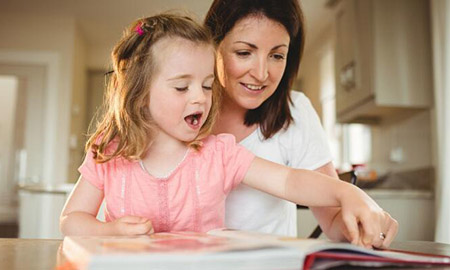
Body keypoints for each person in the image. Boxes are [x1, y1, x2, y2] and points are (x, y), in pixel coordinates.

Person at [60, 12, 387, 249]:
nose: (200, 98)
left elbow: (289, 180)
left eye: (206, 85)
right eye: (181, 87)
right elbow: (72, 219)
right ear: (141, 93)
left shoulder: (217, 151)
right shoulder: (110, 150)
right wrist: (113, 231)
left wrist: (347, 192)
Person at [204, 0, 398, 247]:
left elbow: (332, 216)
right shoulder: (181, 114)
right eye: (244, 52)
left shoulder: (294, 111)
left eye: (277, 55)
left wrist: (364, 220)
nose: (262, 73)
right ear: (211, 46)